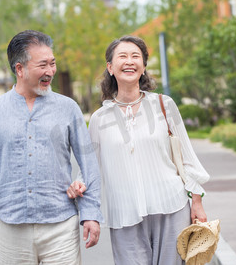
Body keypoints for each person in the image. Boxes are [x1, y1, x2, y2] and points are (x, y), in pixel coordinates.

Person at [0, 30, 103, 264]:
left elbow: (89, 164)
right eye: (42, 65)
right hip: (10, 229)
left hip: (60, 227)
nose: (50, 71)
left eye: (52, 63)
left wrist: (91, 214)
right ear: (19, 69)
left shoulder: (68, 108)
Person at [67, 35, 210, 264]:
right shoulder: (99, 119)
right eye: (122, 56)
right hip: (124, 213)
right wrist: (80, 187)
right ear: (110, 67)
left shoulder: (164, 105)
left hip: (171, 207)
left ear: (143, 67)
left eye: (136, 56)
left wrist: (197, 202)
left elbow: (187, 158)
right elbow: (90, 168)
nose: (129, 61)